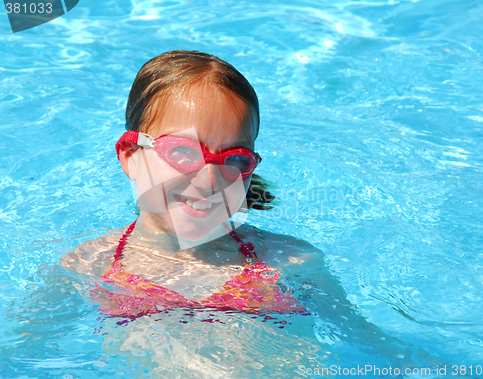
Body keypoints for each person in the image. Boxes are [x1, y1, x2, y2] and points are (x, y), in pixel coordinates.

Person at [60, 50, 437, 373]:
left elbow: (373, 345)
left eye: (234, 159)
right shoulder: (89, 265)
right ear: (130, 157)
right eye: (182, 152)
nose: (209, 181)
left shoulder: (289, 262)